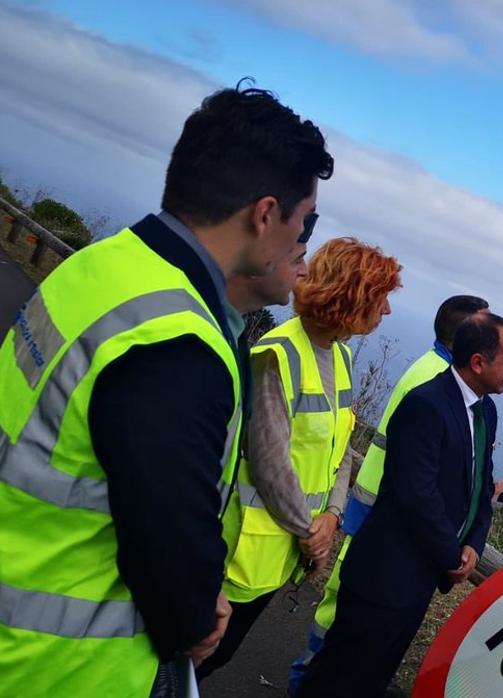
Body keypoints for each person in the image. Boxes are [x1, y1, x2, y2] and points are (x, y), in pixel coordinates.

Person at [0, 83, 332, 697]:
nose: (305, 243)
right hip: (57, 668)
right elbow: (177, 574)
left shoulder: (106, 266)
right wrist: (201, 610)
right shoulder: (177, 344)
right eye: (305, 221)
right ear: (265, 215)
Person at [197, 238, 402, 681]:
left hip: (283, 550)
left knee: (217, 658)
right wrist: (313, 531)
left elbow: (341, 448)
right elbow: (269, 462)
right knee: (193, 661)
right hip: (241, 553)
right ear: (354, 293)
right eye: (381, 297)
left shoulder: (341, 357)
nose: (386, 311)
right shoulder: (278, 353)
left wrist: (332, 516)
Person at [297, 313, 503, 697]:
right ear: (478, 362)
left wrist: (474, 544)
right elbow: (416, 495)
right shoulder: (426, 405)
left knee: (371, 678)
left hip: (418, 580)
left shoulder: (485, 411)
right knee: (338, 679)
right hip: (384, 576)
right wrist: (452, 555)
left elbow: (481, 484)